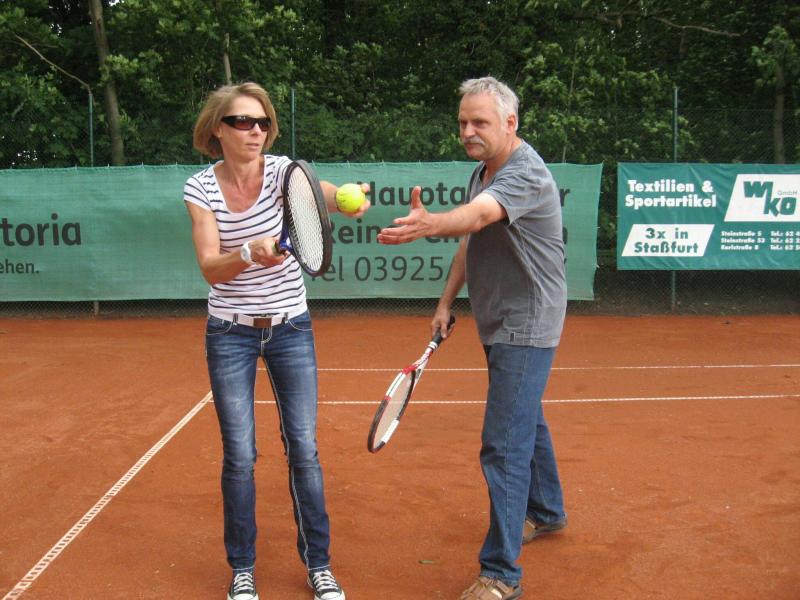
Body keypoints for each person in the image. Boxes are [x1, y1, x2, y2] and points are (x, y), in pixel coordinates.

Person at [377, 76, 567, 600]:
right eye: (463, 122)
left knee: (504, 443)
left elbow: (479, 215)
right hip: (496, 314)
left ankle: (501, 574)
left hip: (528, 319)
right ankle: (547, 509)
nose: (467, 131)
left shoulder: (526, 172)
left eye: (479, 122)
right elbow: (471, 237)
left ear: (510, 122)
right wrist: (445, 302)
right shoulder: (481, 171)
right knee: (524, 413)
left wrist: (431, 224)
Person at [183, 82, 368, 600]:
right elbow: (210, 268)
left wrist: (351, 199)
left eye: (262, 122)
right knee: (240, 455)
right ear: (218, 129)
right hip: (229, 333)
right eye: (242, 121)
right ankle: (242, 569)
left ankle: (319, 565)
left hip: (291, 329)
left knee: (304, 449)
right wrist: (248, 251)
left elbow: (329, 194)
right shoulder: (200, 188)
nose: (255, 131)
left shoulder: (286, 173)